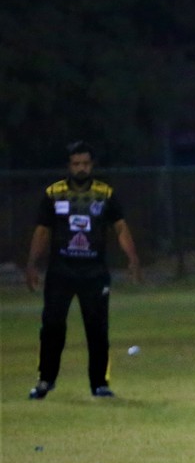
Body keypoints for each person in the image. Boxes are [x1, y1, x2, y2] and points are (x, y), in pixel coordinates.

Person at [25, 141, 142, 400]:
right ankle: (45, 380)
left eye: (86, 164)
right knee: (52, 327)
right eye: (76, 164)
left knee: (97, 329)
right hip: (60, 272)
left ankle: (100, 384)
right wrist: (32, 263)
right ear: (69, 166)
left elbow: (120, 228)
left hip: (94, 273)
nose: (81, 168)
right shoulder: (54, 193)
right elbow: (42, 231)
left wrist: (132, 257)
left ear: (92, 165)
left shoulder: (104, 194)